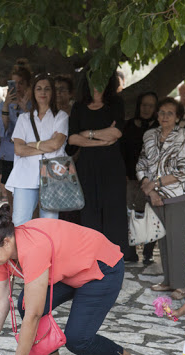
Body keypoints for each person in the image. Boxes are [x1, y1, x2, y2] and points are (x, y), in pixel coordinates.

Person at [0, 205, 146, 355]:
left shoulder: (32, 248)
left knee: (78, 339)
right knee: (25, 303)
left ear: (5, 241)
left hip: (101, 268)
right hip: (69, 271)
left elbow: (34, 314)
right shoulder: (2, 254)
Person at [136, 98, 185, 299]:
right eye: (161, 112)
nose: (164, 116)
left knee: (176, 239)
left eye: (170, 113)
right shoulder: (149, 135)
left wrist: (156, 184)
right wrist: (149, 189)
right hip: (154, 194)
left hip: (177, 194)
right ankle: (168, 281)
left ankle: (181, 284)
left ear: (178, 116)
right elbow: (142, 163)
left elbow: (182, 170)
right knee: (162, 238)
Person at [68, 73, 129, 257]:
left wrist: (87, 134)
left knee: (113, 212)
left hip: (112, 167)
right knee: (89, 213)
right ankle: (91, 257)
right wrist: (100, 139)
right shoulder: (78, 107)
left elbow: (116, 133)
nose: (97, 83)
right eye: (93, 78)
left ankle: (114, 258)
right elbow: (72, 139)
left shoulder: (116, 103)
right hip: (87, 168)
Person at [5, 74, 68, 226]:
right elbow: (19, 149)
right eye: (39, 88)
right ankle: (23, 251)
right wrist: (45, 145)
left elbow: (56, 144)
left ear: (52, 92)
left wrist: (32, 144)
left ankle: (46, 251)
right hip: (25, 176)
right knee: (21, 223)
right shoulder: (24, 119)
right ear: (33, 92)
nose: (43, 92)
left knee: (49, 224)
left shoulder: (61, 116)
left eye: (47, 89)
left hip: (52, 175)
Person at [121, 92, 158, 264]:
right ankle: (130, 252)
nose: (146, 109)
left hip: (152, 181)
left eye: (150, 105)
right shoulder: (128, 126)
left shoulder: (159, 127)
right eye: (144, 104)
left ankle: (148, 253)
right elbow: (121, 152)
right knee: (130, 215)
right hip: (130, 178)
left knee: (150, 215)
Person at [0, 64, 33, 209]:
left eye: (21, 83)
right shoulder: (3, 105)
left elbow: (35, 130)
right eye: (14, 83)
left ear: (28, 85)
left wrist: (25, 108)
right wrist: (6, 106)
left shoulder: (34, 105)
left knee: (30, 198)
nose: (17, 87)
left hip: (29, 155)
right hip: (9, 155)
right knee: (11, 198)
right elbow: (1, 131)